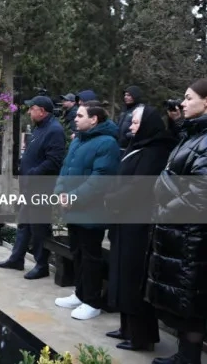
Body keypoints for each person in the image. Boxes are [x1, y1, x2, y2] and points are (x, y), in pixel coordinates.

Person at [146, 79, 207, 364]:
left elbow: (203, 193)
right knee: (186, 300)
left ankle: (189, 359)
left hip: (193, 235)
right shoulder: (196, 135)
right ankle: (184, 355)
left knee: (191, 302)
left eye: (188, 98)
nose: (183, 103)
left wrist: (166, 209)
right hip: (183, 233)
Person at [103, 106, 175, 352]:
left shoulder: (156, 151)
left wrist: (112, 199)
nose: (131, 126)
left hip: (138, 224)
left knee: (134, 278)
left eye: (135, 122)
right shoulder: (138, 145)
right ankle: (126, 327)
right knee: (122, 275)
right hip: (123, 220)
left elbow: (139, 187)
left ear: (147, 125)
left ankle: (141, 336)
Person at [53, 100, 120, 320]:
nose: (75, 118)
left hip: (91, 210)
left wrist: (74, 197)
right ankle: (80, 294)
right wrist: (60, 192)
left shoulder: (107, 143)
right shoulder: (78, 140)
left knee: (91, 257)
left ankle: (92, 301)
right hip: (72, 208)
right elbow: (65, 168)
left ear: (94, 119)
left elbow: (100, 179)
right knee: (77, 253)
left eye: (80, 115)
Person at [0, 96, 65, 280]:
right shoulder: (39, 127)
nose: (29, 111)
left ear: (42, 111)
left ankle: (41, 265)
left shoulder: (55, 130)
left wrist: (33, 172)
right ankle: (16, 258)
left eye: (32, 108)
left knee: (39, 226)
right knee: (24, 223)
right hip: (29, 186)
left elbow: (54, 161)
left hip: (41, 187)